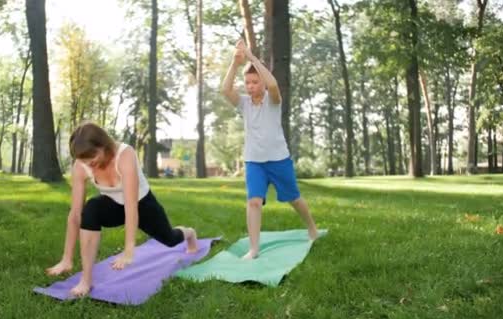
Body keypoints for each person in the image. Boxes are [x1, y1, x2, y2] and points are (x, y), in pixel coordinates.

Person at [46, 122, 198, 297]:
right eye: (84, 160)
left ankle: (189, 233)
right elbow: (74, 215)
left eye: (92, 157)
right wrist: (67, 258)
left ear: (103, 145)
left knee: (170, 239)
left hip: (142, 204)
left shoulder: (125, 154)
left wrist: (129, 250)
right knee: (91, 209)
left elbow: (132, 206)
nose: (89, 164)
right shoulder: (82, 165)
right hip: (114, 205)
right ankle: (86, 280)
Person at [221, 39, 318, 259]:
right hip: (254, 161)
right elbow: (225, 90)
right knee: (254, 201)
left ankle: (311, 227)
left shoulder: (273, 100)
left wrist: (251, 56)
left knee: (294, 198)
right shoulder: (244, 103)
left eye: (255, 82)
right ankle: (254, 248)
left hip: (278, 160)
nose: (251, 86)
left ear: (262, 83)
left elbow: (273, 84)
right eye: (248, 83)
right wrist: (236, 64)